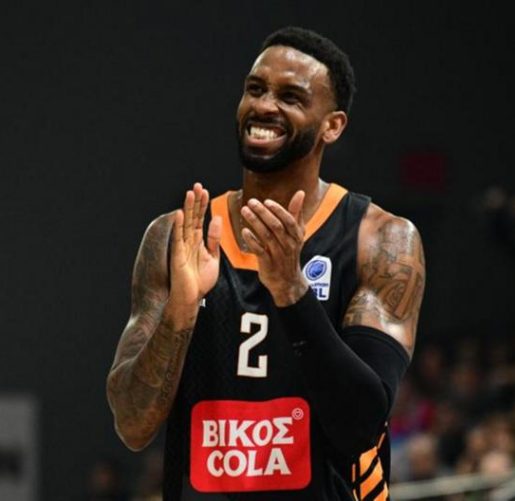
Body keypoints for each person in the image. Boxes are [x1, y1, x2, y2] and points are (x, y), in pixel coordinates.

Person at [106, 26, 425, 500]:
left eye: (290, 96)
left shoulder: (380, 240)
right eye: (255, 89)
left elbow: (361, 424)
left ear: (333, 126)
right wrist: (180, 311)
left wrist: (292, 293)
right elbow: (133, 425)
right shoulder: (176, 236)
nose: (264, 106)